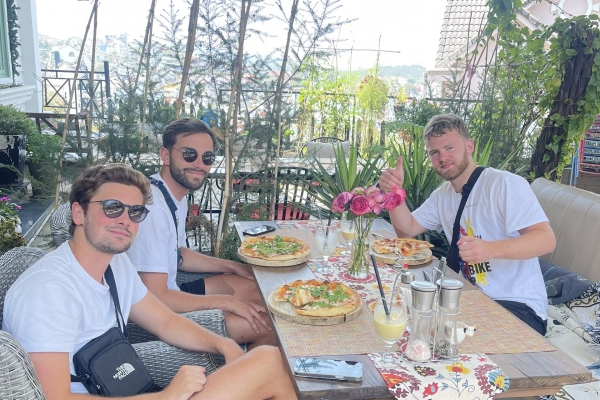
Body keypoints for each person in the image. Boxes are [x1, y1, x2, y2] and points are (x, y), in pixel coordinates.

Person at [2, 164, 296, 399]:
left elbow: (165, 322)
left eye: (135, 212)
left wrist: (223, 344)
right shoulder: (48, 291)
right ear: (79, 213)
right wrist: (166, 396)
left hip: (123, 385)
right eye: (112, 207)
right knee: (269, 363)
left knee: (268, 364)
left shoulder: (115, 264)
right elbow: (55, 397)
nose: (125, 219)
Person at [378, 114, 556, 335]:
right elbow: (407, 230)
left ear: (469, 146)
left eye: (449, 148)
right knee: (399, 318)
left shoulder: (504, 184)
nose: (443, 157)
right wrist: (393, 193)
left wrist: (489, 249)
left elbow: (545, 239)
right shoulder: (442, 195)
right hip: (468, 301)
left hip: (517, 307)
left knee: (435, 337)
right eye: (434, 152)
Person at [126, 118, 276, 349]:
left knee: (262, 292)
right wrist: (229, 302)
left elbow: (178, 254)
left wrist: (231, 266)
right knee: (268, 325)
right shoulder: (153, 209)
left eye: (207, 158)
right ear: (165, 155)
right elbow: (157, 297)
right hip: (152, 316)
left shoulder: (172, 194)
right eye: (189, 154)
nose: (199, 164)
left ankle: (246, 355)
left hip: (171, 291)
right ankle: (246, 366)